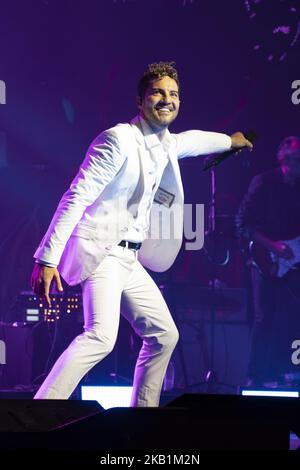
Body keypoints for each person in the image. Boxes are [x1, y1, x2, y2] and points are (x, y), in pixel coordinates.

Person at [31, 61, 252, 405]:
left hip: (129, 259)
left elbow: (191, 141)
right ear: (140, 100)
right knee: (101, 337)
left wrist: (230, 141)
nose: (167, 100)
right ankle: (40, 413)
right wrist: (47, 258)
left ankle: (141, 418)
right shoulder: (117, 139)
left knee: (164, 335)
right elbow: (76, 196)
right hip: (102, 251)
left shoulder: (165, 144)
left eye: (174, 94)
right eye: (158, 93)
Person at [237, 136, 300, 387]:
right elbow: (242, 224)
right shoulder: (264, 182)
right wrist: (273, 246)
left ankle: (280, 372)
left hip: (292, 260)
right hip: (265, 258)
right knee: (264, 318)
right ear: (284, 159)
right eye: (298, 160)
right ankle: (255, 375)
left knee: (289, 317)